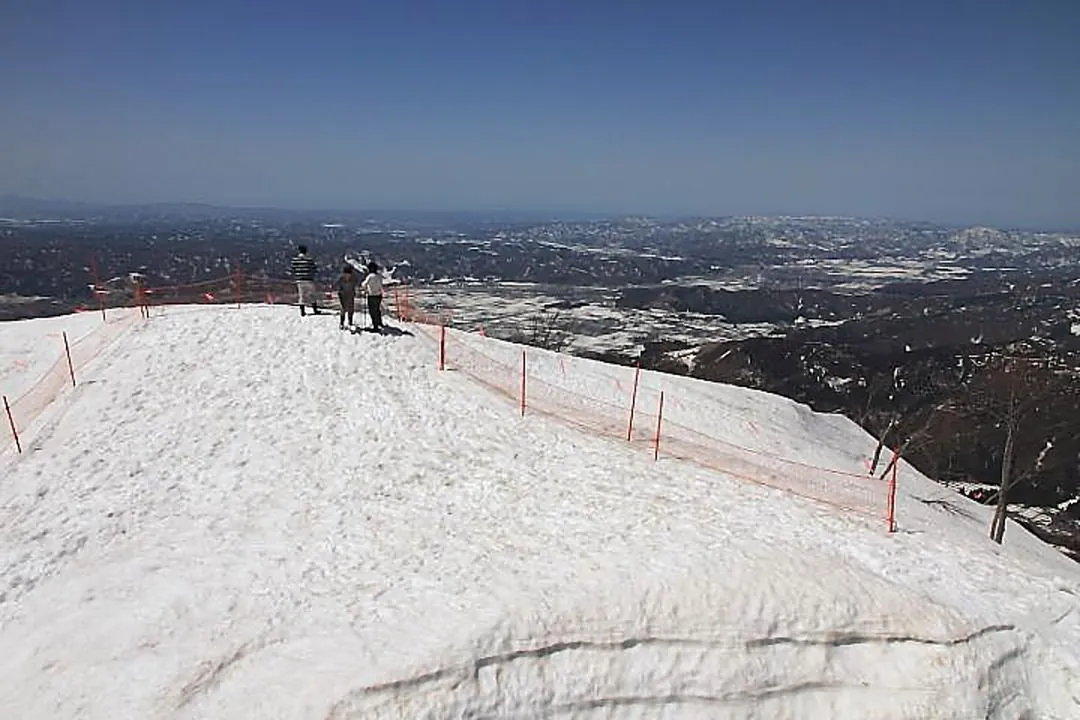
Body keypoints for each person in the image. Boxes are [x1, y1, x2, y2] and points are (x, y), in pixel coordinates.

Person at [291, 245, 318, 316]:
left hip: (299, 280)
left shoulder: (295, 260)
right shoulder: (310, 260)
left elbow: (293, 269)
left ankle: (302, 311)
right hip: (309, 279)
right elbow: (314, 269)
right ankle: (315, 309)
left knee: (301, 295)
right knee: (312, 295)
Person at [361, 260, 384, 332]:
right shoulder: (379, 276)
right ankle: (379, 322)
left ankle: (375, 326)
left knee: (372, 311)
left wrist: (365, 289)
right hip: (379, 295)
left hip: (372, 295)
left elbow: (363, 284)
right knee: (377, 309)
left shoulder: (370, 276)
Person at [337, 264, 358, 329]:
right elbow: (338, 286)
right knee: (343, 308)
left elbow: (356, 285)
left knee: (350, 308)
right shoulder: (341, 278)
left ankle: (350, 322)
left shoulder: (353, 278)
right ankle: (342, 322)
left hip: (350, 294)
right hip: (343, 294)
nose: (347, 275)